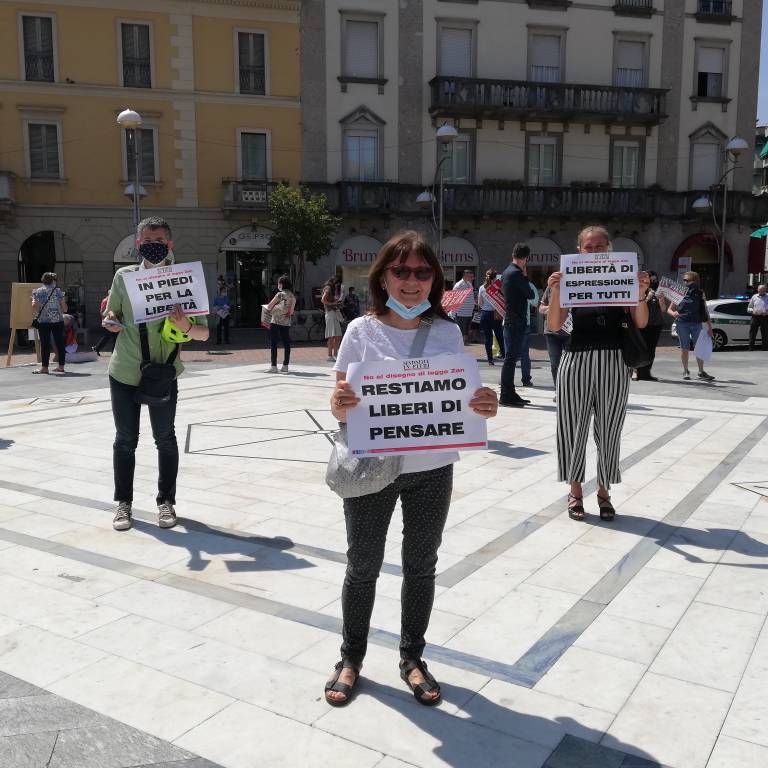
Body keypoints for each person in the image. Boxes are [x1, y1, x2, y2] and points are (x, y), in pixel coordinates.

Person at [324, 230, 498, 708]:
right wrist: (339, 403)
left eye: (423, 272)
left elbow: (461, 399)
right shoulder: (361, 331)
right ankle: (351, 657)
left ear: (434, 281)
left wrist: (483, 403)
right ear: (383, 276)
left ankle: (412, 657)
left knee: (421, 567)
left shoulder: (447, 332)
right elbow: (341, 404)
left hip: (433, 467)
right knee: (363, 566)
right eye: (401, 271)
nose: (411, 281)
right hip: (371, 469)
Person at [102, 216, 209, 532]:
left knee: (165, 438)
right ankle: (124, 504)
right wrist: (110, 319)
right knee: (125, 439)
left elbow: (203, 334)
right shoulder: (124, 277)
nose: (153, 246)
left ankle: (166, 502)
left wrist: (186, 326)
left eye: (159, 241)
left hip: (163, 372)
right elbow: (113, 313)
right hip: (125, 369)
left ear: (170, 244)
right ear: (138, 244)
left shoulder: (184, 279)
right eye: (147, 241)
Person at [546, 225, 650, 522]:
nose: (593, 252)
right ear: (579, 251)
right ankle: (575, 491)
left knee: (609, 429)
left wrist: (641, 293)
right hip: (575, 359)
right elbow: (554, 326)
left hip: (614, 361)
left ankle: (604, 492)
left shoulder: (623, 277)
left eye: (599, 246)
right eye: (588, 247)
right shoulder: (567, 280)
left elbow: (640, 323)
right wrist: (555, 291)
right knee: (571, 428)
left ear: (609, 249)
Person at [499, 243, 534, 407]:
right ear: (526, 258)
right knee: (511, 359)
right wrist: (525, 276)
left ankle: (510, 392)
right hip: (516, 321)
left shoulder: (507, 272)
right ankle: (506, 395)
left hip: (511, 320)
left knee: (511, 358)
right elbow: (531, 294)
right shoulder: (516, 274)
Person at [667, 271, 714, 381]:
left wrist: (709, 327)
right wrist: (673, 313)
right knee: (684, 348)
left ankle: (701, 372)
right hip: (682, 323)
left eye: (687, 280)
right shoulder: (679, 292)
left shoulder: (700, 293)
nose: (685, 282)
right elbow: (669, 309)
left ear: (695, 281)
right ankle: (686, 371)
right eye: (684, 280)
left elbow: (705, 310)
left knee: (699, 348)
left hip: (696, 323)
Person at [31, 272, 67, 375]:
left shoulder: (37, 292)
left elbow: (35, 307)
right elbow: (65, 308)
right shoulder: (58, 291)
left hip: (44, 322)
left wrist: (33, 300)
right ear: (53, 281)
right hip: (58, 321)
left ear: (43, 280)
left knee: (45, 344)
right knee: (60, 343)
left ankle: (45, 368)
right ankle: (61, 367)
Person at [538, 284, 568, 395]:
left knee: (572, 363)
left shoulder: (576, 286)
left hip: (569, 332)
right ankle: (559, 391)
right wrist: (553, 308)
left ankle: (571, 389)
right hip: (551, 333)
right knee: (555, 363)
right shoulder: (552, 286)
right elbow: (541, 308)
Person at [634, 270, 664, 381]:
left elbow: (663, 309)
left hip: (656, 324)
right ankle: (636, 371)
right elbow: (637, 307)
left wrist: (660, 299)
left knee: (651, 349)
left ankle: (646, 373)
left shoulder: (658, 292)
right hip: (642, 324)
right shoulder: (640, 290)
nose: (653, 282)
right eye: (650, 280)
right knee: (640, 348)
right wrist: (647, 298)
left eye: (655, 280)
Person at [265, 275, 297, 373]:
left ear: (281, 284)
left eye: (279, 283)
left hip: (275, 321)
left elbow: (269, 306)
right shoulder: (292, 296)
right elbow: (291, 312)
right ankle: (285, 365)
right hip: (286, 322)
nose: (278, 285)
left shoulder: (280, 295)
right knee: (286, 343)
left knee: (274, 343)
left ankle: (274, 366)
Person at [477, 270, 505, 365]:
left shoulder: (481, 288)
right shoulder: (497, 287)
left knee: (487, 338)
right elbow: (502, 301)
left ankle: (490, 360)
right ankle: (505, 357)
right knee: (499, 336)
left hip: (485, 314)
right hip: (495, 314)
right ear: (495, 277)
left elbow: (480, 304)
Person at [516, 280, 539, 387]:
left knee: (508, 354)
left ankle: (507, 380)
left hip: (507, 322)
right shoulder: (529, 285)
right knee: (524, 354)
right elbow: (535, 303)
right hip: (524, 322)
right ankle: (526, 380)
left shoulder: (504, 282)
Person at [322, 276, 343, 362]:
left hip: (334, 312)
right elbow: (323, 300)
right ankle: (330, 355)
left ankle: (335, 354)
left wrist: (337, 302)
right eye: (337, 283)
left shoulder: (332, 289)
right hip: (330, 313)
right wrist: (332, 303)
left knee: (338, 335)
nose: (338, 285)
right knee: (331, 335)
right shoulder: (328, 288)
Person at [452, 269, 476, 341]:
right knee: (460, 332)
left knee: (466, 332)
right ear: (465, 276)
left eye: (472, 277)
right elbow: (454, 298)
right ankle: (460, 346)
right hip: (461, 313)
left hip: (468, 312)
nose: (472, 278)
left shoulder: (469, 284)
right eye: (470, 277)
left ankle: (463, 346)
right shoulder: (459, 285)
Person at [92, 290, 116, 356]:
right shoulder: (106, 301)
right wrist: (107, 318)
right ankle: (96, 348)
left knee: (113, 336)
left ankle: (113, 351)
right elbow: (102, 312)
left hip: (112, 321)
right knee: (108, 336)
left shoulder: (111, 301)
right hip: (108, 321)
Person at [747, 284, 768, 350]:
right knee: (752, 332)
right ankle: (750, 348)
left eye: (762, 290)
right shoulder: (754, 297)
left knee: (765, 333)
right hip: (755, 317)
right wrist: (753, 311)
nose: (761, 291)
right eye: (759, 290)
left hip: (765, 317)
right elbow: (749, 308)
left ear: (765, 290)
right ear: (757, 290)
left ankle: (764, 348)